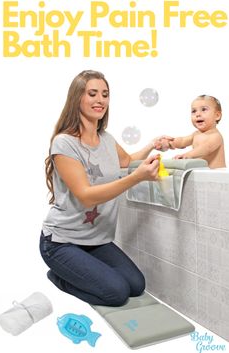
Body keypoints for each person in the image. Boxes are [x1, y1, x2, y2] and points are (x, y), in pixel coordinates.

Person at [40, 70, 172, 306]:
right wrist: (137, 178)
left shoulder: (107, 139)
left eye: (105, 94)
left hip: (96, 240)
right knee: (117, 293)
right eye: (92, 94)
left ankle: (82, 272)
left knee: (136, 285)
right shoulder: (64, 143)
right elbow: (86, 197)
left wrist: (153, 146)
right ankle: (59, 276)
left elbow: (127, 161)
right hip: (61, 242)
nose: (100, 100)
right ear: (77, 98)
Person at [167, 95, 226, 168]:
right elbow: (183, 141)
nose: (197, 114)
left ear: (217, 115)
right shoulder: (195, 134)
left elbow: (206, 148)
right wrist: (171, 142)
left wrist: (188, 155)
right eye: (194, 111)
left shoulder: (215, 136)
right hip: (201, 174)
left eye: (204, 109)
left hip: (218, 175)